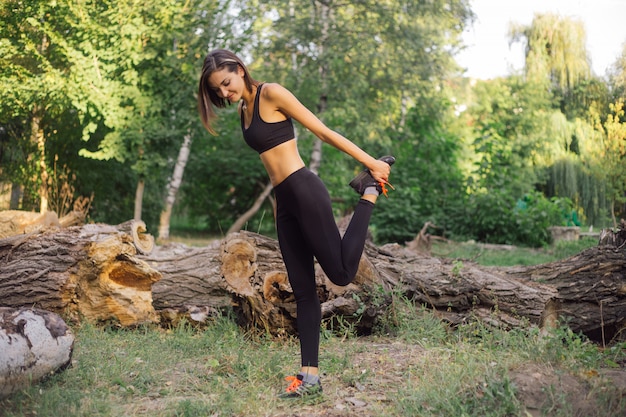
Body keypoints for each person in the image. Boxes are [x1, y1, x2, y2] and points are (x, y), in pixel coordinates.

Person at [197, 49, 395, 398]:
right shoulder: (244, 111)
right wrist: (278, 209)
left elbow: (321, 130)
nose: (224, 94)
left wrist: (371, 162)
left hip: (304, 189)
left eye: (226, 84)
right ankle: (310, 379)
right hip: (284, 202)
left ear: (240, 70)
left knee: (341, 274)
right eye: (218, 92)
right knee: (303, 291)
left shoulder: (271, 93)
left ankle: (368, 191)